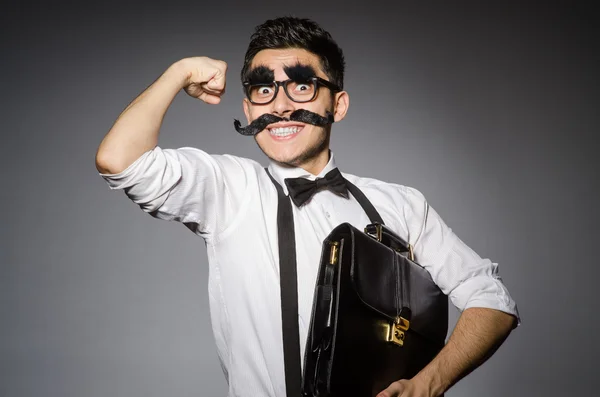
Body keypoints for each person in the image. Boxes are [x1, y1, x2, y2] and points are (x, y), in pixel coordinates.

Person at [95, 16, 520, 397]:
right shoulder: (229, 189)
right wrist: (179, 72)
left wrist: (429, 383)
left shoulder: (402, 204)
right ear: (248, 108)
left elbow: (493, 301)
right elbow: (119, 160)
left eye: (301, 86)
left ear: (337, 104)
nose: (280, 106)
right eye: (264, 89)